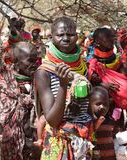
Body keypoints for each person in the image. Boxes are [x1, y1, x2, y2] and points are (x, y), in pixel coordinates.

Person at [34, 17, 94, 159]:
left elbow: (87, 108)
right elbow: (53, 120)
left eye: (70, 34)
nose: (66, 39)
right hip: (58, 142)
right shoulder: (44, 72)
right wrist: (63, 84)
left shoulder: (83, 66)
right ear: (52, 37)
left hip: (83, 140)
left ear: (77, 36)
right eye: (60, 35)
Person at [0, 42, 39, 160]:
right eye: (30, 61)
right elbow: (5, 117)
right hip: (14, 141)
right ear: (16, 62)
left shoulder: (39, 78)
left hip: (36, 140)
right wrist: (27, 101)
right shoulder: (6, 83)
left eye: (36, 60)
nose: (34, 65)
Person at [88, 27, 127, 131]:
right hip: (100, 112)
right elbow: (89, 88)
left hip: (117, 112)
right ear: (97, 42)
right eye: (107, 37)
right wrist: (102, 85)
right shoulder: (92, 65)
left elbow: (125, 90)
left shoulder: (118, 63)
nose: (111, 39)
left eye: (112, 36)